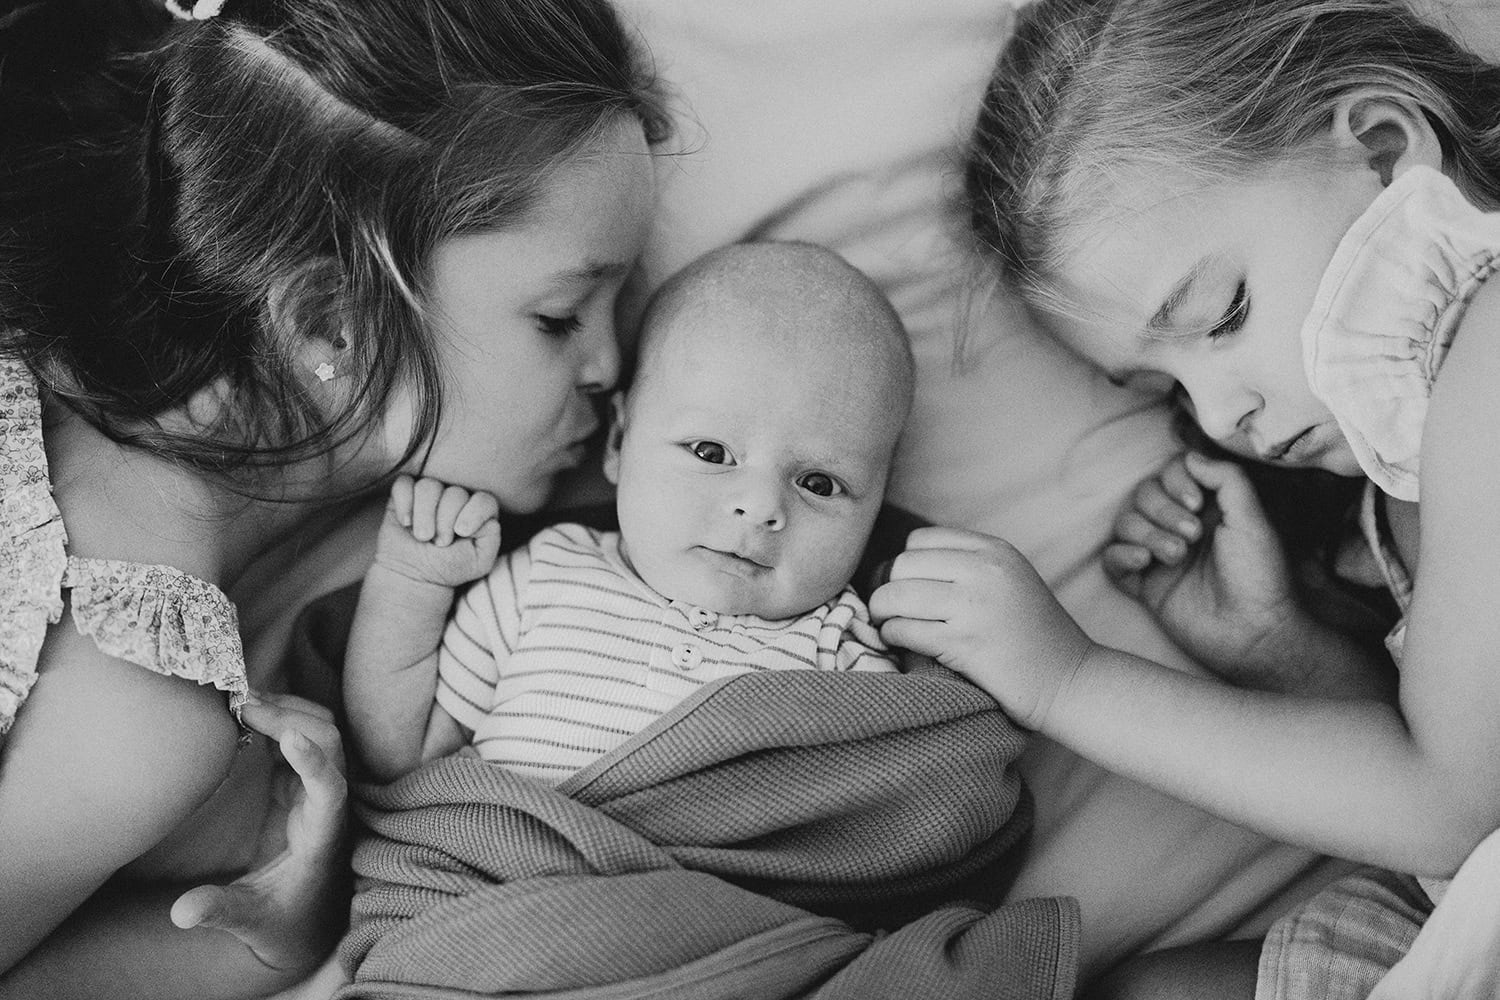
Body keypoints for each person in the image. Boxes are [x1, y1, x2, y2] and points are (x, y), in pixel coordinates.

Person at [0, 0, 665, 995]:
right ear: (332, 324)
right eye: (561, 316)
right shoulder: (133, 710)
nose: (616, 366)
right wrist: (274, 934)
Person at [869, 0, 1500, 996]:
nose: (1220, 416)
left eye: (1222, 315)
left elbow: (1447, 808)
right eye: (1164, 392)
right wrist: (1277, 649)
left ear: (1382, 149)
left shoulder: (1493, 349)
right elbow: (1448, 791)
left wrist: (1070, 681)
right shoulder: (1404, 465)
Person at [343, 241, 913, 785]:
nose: (762, 506)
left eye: (820, 483)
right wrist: (410, 583)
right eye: (711, 453)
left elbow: (902, 818)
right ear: (619, 440)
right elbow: (401, 756)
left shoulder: (841, 648)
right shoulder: (542, 577)